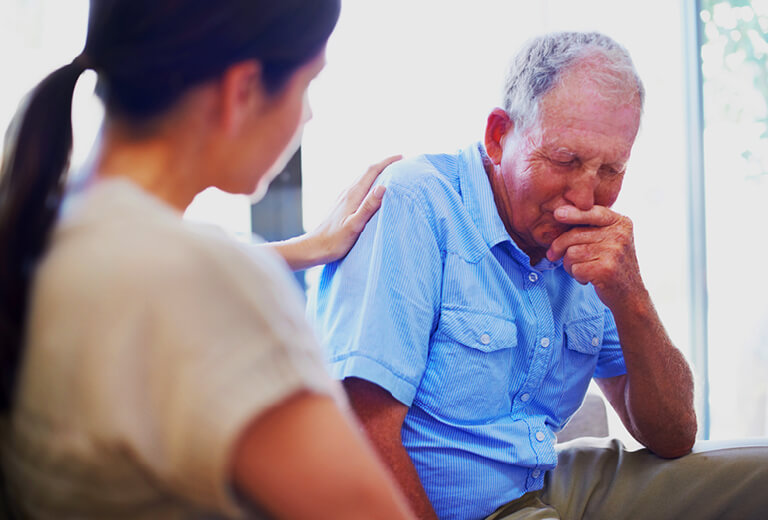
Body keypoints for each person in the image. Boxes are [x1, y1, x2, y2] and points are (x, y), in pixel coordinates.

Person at [309, 31, 768, 519]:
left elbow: (673, 436)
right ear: (498, 135)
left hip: (545, 483)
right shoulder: (415, 202)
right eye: (565, 160)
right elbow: (359, 428)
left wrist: (629, 295)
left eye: (610, 170)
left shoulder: (593, 248)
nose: (585, 198)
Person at [0, 1, 417, 518]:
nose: (308, 114)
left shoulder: (45, 225)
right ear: (242, 90)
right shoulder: (204, 282)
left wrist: (304, 248)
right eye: (307, 85)